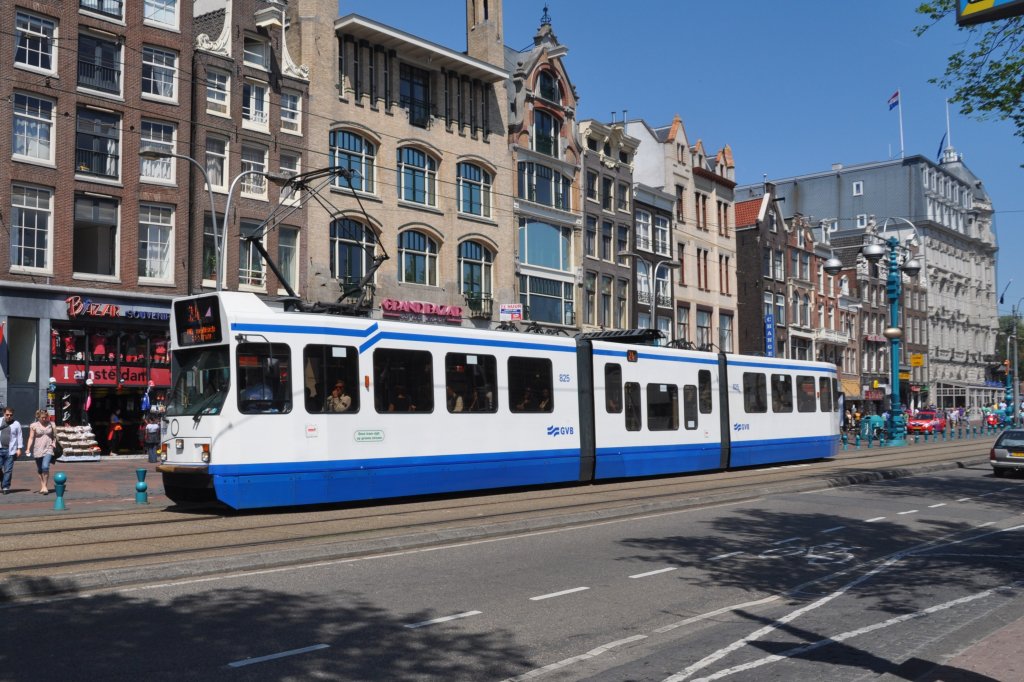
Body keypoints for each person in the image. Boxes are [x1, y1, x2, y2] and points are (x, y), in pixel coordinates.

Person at [25, 409, 56, 495]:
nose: (44, 419)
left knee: (45, 467)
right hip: (38, 448)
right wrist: (28, 448)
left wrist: (54, 443)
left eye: (45, 417)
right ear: (38, 417)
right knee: (40, 469)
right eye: (42, 417)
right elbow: (31, 438)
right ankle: (42, 485)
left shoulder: (51, 424)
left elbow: (55, 436)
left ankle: (45, 486)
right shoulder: (33, 425)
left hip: (49, 448)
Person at [0, 407, 24, 494]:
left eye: (11, 415)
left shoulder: (16, 424)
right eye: (7, 415)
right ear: (4, 414)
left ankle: (5, 486)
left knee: (8, 470)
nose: (9, 416)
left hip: (10, 450)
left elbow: (19, 436)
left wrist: (19, 449)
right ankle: (3, 481)